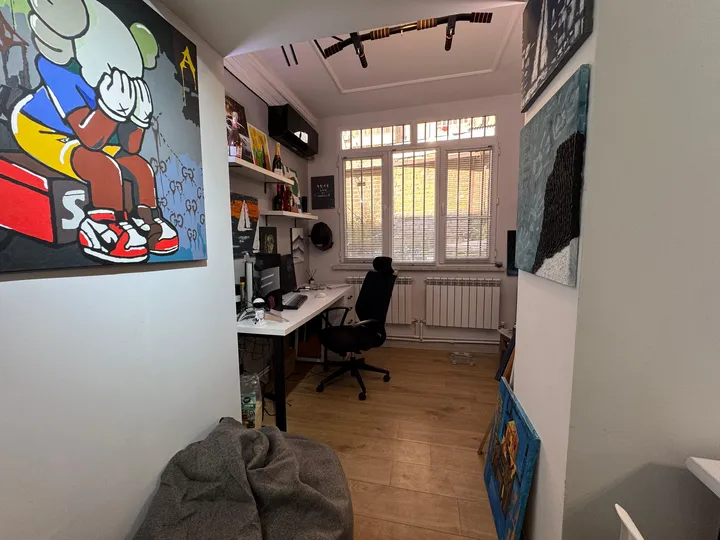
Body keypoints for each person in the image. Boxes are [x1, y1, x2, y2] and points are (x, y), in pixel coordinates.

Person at [11, 0, 178, 263]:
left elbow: (130, 148)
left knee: (142, 168)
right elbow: (90, 138)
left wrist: (139, 120)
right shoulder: (59, 71)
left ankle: (146, 219)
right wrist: (111, 112)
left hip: (93, 129)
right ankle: (101, 225)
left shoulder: (118, 82)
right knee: (103, 168)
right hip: (40, 127)